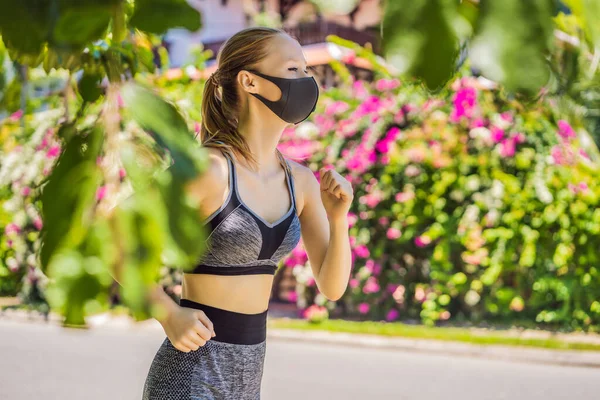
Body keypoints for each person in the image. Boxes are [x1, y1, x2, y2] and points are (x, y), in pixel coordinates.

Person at [142, 26, 353, 400]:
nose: (307, 81)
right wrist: (168, 313)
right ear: (249, 81)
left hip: (247, 381)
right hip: (190, 374)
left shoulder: (300, 180)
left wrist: (338, 218)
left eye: (307, 70)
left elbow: (332, 287)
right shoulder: (207, 168)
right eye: (293, 70)